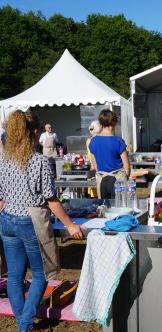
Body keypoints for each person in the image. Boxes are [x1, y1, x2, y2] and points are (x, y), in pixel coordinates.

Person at [0, 111, 83, 332]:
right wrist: (70, 224)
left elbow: (1, 196)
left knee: (14, 277)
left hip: (7, 219)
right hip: (31, 221)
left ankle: (23, 324)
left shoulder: (3, 159)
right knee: (41, 274)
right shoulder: (39, 161)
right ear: (35, 132)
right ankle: (25, 324)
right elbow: (51, 199)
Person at [88, 110, 130, 199]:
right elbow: (127, 167)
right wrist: (126, 177)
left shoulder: (93, 141)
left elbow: (95, 165)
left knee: (105, 209)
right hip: (118, 181)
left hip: (102, 180)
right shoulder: (118, 141)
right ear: (113, 122)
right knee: (119, 209)